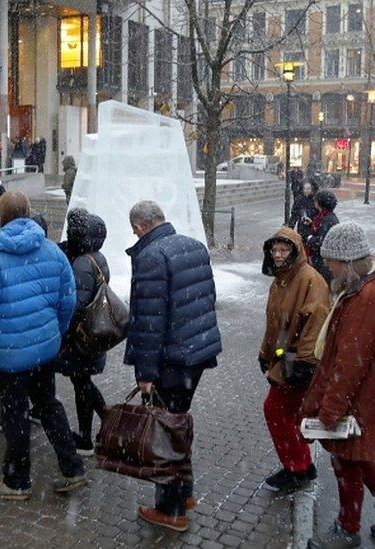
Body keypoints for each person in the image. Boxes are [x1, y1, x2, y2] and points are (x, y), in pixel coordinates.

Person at [302, 222, 375, 548]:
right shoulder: (370, 286)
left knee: (345, 459)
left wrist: (329, 411)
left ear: (347, 260)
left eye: (332, 260)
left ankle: (347, 529)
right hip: (370, 394)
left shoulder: (368, 296)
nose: (327, 265)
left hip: (359, 398)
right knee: (357, 455)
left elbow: (350, 364)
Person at [0, 190, 85, 500]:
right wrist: (54, 334)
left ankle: (17, 480)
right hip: (44, 348)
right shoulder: (51, 251)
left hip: (8, 354)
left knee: (14, 413)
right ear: (29, 211)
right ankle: (71, 467)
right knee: (48, 404)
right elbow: (67, 300)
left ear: (0, 216)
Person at [124, 200, 222, 532]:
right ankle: (186, 491)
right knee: (177, 425)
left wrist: (146, 375)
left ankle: (172, 509)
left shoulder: (151, 257)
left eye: (134, 229)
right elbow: (206, 298)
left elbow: (150, 322)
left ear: (140, 226)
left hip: (171, 361)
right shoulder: (193, 246)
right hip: (194, 355)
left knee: (165, 433)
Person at [257, 227, 330, 492]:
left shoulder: (310, 280)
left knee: (275, 410)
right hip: (285, 356)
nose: (277, 255)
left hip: (298, 359)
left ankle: (297, 469)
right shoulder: (281, 280)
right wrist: (265, 354)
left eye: (284, 250)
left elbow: (317, 319)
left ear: (296, 251)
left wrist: (305, 362)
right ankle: (301, 465)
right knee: (289, 413)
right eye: (274, 250)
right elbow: (274, 323)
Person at [55, 209, 110, 455]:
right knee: (82, 383)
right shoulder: (97, 257)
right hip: (94, 335)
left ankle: (97, 429)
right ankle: (96, 429)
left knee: (82, 384)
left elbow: (76, 306)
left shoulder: (81, 265)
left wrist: (64, 337)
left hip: (82, 338)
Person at [305, 189, 339, 283]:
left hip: (323, 262)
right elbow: (321, 231)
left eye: (316, 200)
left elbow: (323, 241)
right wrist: (311, 224)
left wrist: (310, 239)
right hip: (321, 259)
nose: (314, 202)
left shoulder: (327, 219)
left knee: (320, 284)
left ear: (320, 203)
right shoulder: (324, 216)